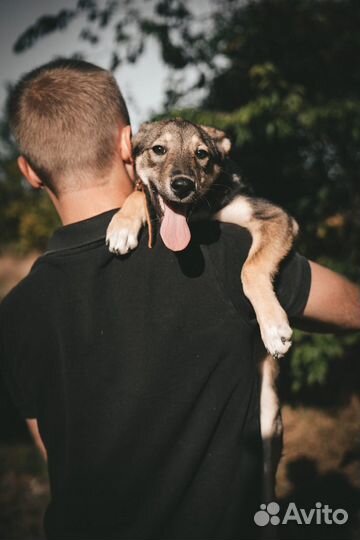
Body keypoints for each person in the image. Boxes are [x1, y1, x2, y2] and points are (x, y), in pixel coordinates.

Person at [1, 58, 359, 540]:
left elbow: (52, 447)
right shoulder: (225, 251)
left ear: (28, 171)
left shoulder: (16, 312)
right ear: (129, 146)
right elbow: (351, 308)